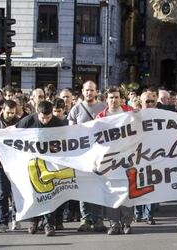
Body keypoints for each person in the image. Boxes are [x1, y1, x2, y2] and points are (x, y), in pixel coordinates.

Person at [16, 100, 66, 236]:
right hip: (32, 164)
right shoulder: (28, 121)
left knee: (49, 193)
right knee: (34, 193)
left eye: (48, 118)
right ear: (37, 113)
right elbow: (14, 135)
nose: (45, 120)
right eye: (42, 117)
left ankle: (49, 224)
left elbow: (65, 142)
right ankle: (34, 221)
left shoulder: (57, 123)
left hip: (50, 164)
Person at [68, 80, 107, 232]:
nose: (89, 92)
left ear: (96, 91)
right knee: (83, 187)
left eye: (92, 90)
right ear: (82, 92)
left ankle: (98, 219)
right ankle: (85, 218)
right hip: (82, 156)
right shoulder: (76, 109)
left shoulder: (103, 107)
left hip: (100, 155)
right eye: (86, 90)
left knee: (99, 187)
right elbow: (70, 133)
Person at [96, 87, 135, 235]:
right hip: (109, 160)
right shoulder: (100, 117)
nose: (114, 100)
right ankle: (114, 223)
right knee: (111, 192)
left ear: (121, 98)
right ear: (106, 99)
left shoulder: (129, 112)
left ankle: (127, 223)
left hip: (127, 158)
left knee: (127, 192)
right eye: (111, 97)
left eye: (116, 97)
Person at [0, 100, 20, 233]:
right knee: (2, 194)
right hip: (0, 165)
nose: (10, 115)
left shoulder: (20, 124)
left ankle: (16, 219)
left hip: (15, 164)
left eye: (12, 113)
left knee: (16, 193)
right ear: (2, 110)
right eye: (8, 112)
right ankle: (3, 223)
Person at [134, 91, 158, 225]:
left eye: (152, 101)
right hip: (138, 156)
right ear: (141, 103)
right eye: (146, 102)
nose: (149, 104)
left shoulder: (162, 116)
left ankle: (149, 215)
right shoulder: (135, 116)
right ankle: (138, 213)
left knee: (152, 186)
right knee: (137, 185)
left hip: (155, 156)